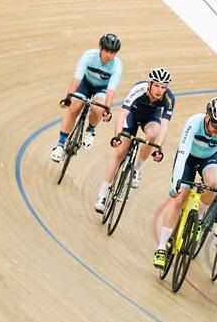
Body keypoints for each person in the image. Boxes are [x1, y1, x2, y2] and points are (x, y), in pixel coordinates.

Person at [152, 97, 217, 268]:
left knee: (213, 182)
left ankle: (201, 219)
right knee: (178, 199)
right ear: (207, 117)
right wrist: (176, 182)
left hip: (210, 159)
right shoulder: (194, 123)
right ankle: (161, 247)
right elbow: (182, 154)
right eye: (215, 126)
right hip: (188, 158)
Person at [93, 68, 174, 213]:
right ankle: (102, 195)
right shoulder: (139, 89)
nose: (159, 90)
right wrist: (117, 135)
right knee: (120, 152)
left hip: (150, 119)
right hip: (132, 116)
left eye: (163, 87)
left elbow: (165, 125)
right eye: (156, 85)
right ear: (149, 84)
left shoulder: (169, 98)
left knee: (153, 134)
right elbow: (123, 114)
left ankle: (136, 169)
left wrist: (158, 148)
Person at [51, 33, 122, 162]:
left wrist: (107, 110)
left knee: (97, 109)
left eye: (112, 53)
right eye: (106, 51)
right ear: (100, 48)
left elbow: (111, 91)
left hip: (102, 88)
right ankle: (60, 145)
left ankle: (91, 130)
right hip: (85, 83)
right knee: (74, 108)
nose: (109, 55)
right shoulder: (89, 56)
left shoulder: (117, 66)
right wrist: (68, 97)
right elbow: (77, 78)